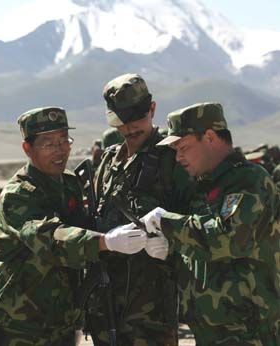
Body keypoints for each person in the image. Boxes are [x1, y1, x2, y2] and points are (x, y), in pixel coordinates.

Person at [0, 106, 148, 345]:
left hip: (60, 318)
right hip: (17, 322)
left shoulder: (70, 184)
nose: (60, 150)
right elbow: (46, 236)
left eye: (64, 140)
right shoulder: (18, 194)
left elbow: (83, 224)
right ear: (27, 148)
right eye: (49, 143)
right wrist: (105, 241)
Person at [143, 102, 279, 345]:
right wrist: (171, 250)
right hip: (212, 332)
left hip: (251, 332)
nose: (178, 157)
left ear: (210, 137)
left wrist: (167, 223)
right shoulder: (205, 187)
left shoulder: (248, 181)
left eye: (183, 147)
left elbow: (228, 239)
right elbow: (202, 248)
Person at [88, 73, 194, 345]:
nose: (131, 127)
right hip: (106, 305)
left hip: (152, 312)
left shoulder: (172, 159)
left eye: (138, 117)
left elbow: (197, 221)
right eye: (121, 121)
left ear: (153, 109)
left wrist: (171, 244)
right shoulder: (109, 162)